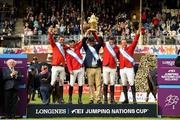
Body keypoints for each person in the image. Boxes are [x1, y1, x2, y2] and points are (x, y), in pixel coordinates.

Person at [119, 30, 140, 104]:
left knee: (131, 83)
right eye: (122, 43)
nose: (124, 44)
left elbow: (135, 42)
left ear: (126, 43)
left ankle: (134, 99)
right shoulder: (120, 50)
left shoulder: (130, 48)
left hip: (129, 68)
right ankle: (126, 99)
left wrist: (137, 35)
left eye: (125, 42)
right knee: (124, 84)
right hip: (122, 68)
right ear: (121, 44)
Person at [48, 26, 68, 104]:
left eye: (63, 40)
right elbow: (50, 40)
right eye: (61, 40)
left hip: (62, 67)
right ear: (58, 40)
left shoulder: (65, 47)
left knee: (61, 82)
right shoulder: (55, 45)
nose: (62, 41)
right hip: (55, 67)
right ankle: (48, 98)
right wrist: (50, 33)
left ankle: (61, 99)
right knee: (52, 82)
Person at [82, 31, 103, 104]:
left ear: (94, 41)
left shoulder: (96, 47)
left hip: (97, 68)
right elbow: (83, 42)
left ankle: (98, 99)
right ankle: (91, 98)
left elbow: (100, 42)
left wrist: (97, 34)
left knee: (98, 84)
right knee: (90, 84)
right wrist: (86, 34)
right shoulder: (86, 47)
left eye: (92, 41)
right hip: (89, 68)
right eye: (90, 41)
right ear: (88, 42)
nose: (91, 42)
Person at [102, 37, 119, 104]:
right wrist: (95, 33)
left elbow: (119, 56)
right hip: (106, 66)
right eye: (110, 40)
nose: (111, 41)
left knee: (112, 83)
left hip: (113, 67)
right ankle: (105, 99)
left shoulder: (117, 48)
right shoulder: (105, 46)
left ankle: (112, 99)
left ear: (114, 40)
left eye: (112, 40)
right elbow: (98, 39)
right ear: (108, 41)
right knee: (105, 82)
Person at [66, 40, 84, 104]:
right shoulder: (68, 52)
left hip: (81, 69)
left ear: (74, 43)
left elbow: (82, 41)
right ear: (69, 44)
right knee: (71, 84)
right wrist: (70, 70)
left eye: (73, 43)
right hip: (73, 70)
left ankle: (80, 99)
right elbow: (68, 62)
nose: (72, 44)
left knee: (80, 84)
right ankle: (70, 99)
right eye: (71, 43)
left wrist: (85, 34)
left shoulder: (77, 48)